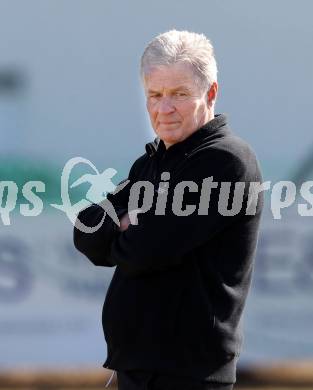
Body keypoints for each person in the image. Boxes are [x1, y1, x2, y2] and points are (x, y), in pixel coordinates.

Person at [73, 30, 263, 390]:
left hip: (187, 373)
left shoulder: (224, 161)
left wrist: (128, 227)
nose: (164, 109)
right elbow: (85, 232)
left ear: (210, 93)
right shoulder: (153, 161)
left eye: (179, 94)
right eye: (155, 95)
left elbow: (147, 250)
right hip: (138, 368)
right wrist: (131, 225)